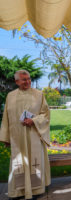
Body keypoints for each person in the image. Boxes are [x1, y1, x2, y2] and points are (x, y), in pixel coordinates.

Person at [0, 70, 51, 199]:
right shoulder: (10, 96)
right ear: (17, 82)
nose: (27, 82)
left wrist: (33, 121)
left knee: (35, 162)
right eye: (24, 80)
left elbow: (45, 114)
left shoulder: (39, 95)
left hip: (34, 135)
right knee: (18, 162)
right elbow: (6, 117)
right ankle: (19, 191)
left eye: (29, 79)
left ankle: (35, 190)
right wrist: (5, 137)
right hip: (17, 137)